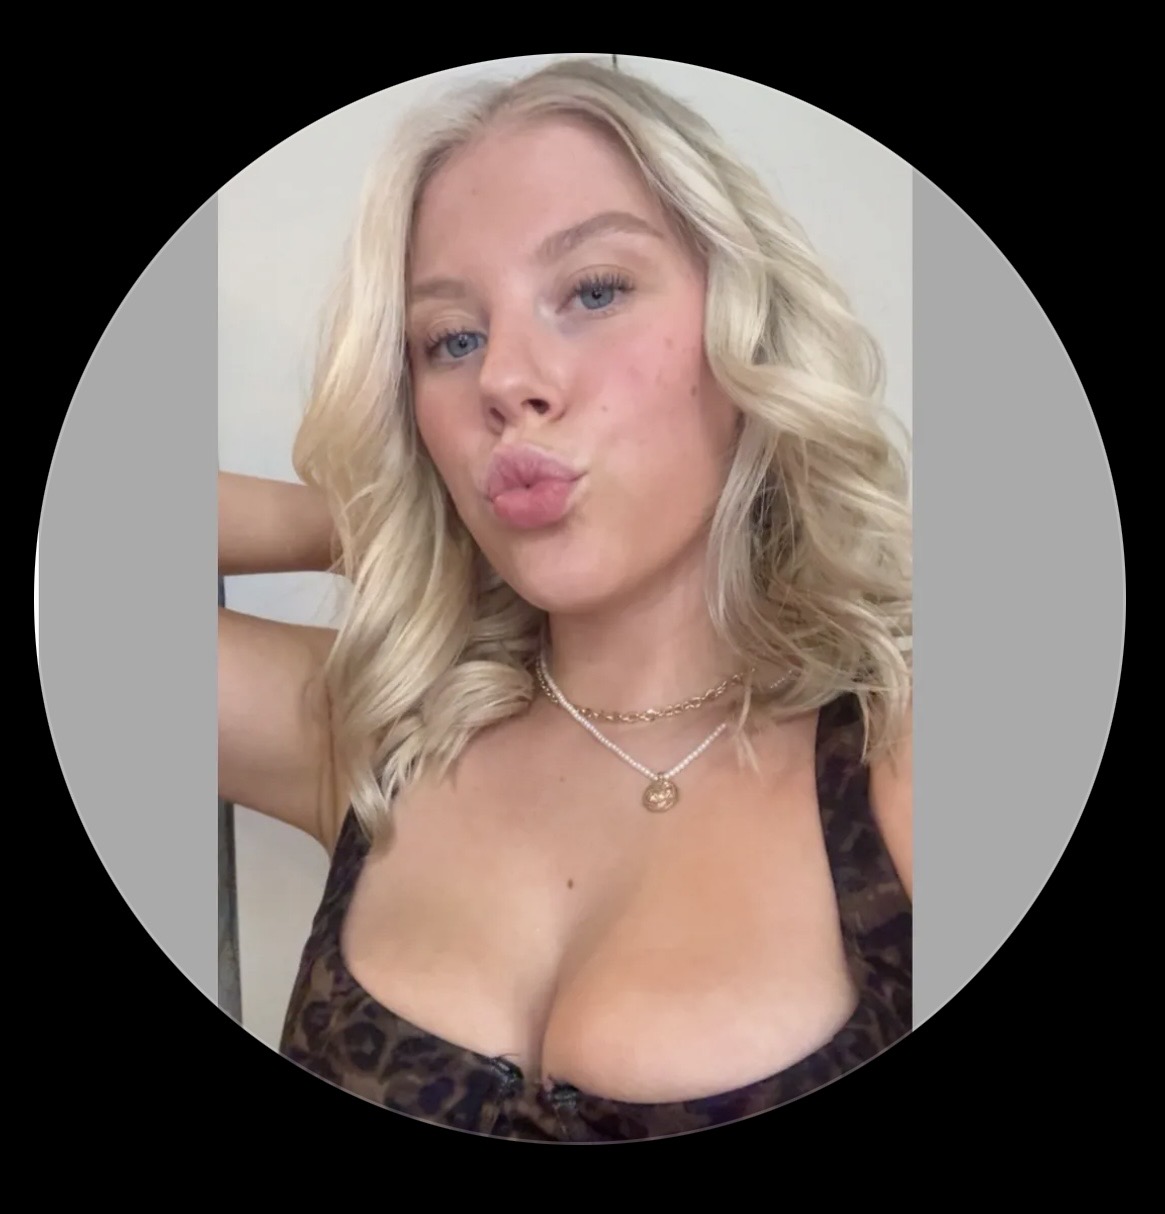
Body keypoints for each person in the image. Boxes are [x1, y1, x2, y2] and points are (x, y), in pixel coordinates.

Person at [218, 57, 913, 1141]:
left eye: (593, 290)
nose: (503, 378)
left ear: (746, 326)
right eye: (452, 338)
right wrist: (391, 520)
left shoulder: (897, 754)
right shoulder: (375, 731)